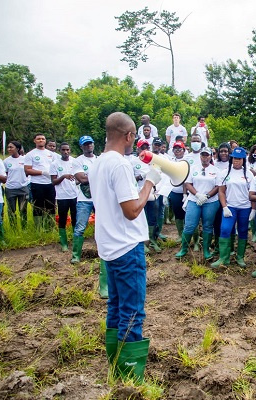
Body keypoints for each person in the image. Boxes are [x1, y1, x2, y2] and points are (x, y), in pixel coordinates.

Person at [89, 111, 161, 383]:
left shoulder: (98, 162)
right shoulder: (119, 165)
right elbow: (131, 210)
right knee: (132, 311)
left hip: (109, 245)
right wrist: (150, 183)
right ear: (129, 136)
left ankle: (115, 362)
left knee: (117, 306)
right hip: (126, 246)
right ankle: (129, 377)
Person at [211, 147, 253, 268]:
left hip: (245, 207)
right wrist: (224, 207)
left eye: (239, 159)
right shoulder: (225, 173)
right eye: (235, 158)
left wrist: (253, 210)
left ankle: (240, 257)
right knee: (225, 229)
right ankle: (224, 258)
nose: (236, 161)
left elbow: (252, 192)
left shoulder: (248, 174)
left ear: (243, 160)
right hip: (230, 207)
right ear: (231, 158)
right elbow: (222, 192)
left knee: (243, 231)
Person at [175, 147, 220, 260]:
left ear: (211, 156)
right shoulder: (193, 168)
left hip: (210, 201)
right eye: (203, 155)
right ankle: (184, 249)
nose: (205, 157)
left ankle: (206, 250)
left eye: (207, 155)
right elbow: (188, 183)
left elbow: (218, 186)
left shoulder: (216, 170)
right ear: (200, 156)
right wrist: (198, 194)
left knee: (208, 226)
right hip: (194, 200)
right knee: (190, 225)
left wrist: (207, 196)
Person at [71, 135, 97, 264]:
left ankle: (103, 251)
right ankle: (76, 255)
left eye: (90, 143)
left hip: (99, 198)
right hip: (84, 199)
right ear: (81, 147)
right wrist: (96, 176)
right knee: (80, 227)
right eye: (85, 144)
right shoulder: (78, 161)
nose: (88, 146)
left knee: (102, 226)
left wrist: (89, 176)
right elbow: (81, 179)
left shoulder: (99, 160)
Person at [24, 133, 56, 232]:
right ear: (35, 141)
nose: (41, 140)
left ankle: (50, 227)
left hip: (50, 184)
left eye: (43, 139)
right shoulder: (31, 154)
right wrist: (42, 172)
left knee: (51, 206)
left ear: (45, 141)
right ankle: (39, 228)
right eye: (38, 139)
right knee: (38, 206)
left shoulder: (51, 154)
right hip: (37, 184)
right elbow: (27, 170)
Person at [50, 143, 77, 252]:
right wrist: (64, 176)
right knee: (62, 219)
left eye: (67, 150)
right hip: (62, 196)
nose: (65, 152)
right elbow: (53, 182)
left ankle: (76, 242)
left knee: (75, 219)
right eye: (63, 150)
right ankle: (64, 243)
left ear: (70, 150)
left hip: (74, 195)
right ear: (59, 151)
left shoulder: (74, 162)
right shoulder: (55, 164)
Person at [3, 141, 29, 230]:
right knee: (11, 211)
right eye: (8, 147)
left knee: (23, 210)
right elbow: (5, 174)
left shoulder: (24, 159)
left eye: (11, 147)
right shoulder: (6, 161)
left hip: (23, 188)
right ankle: (13, 229)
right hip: (10, 189)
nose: (9, 149)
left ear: (17, 149)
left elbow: (28, 172)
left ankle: (24, 228)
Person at [168, 141, 190, 242]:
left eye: (179, 149)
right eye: (175, 149)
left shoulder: (187, 161)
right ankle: (180, 235)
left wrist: (185, 193)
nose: (177, 151)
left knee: (188, 214)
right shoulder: (171, 161)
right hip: (174, 191)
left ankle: (188, 235)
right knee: (178, 214)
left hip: (186, 192)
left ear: (183, 150)